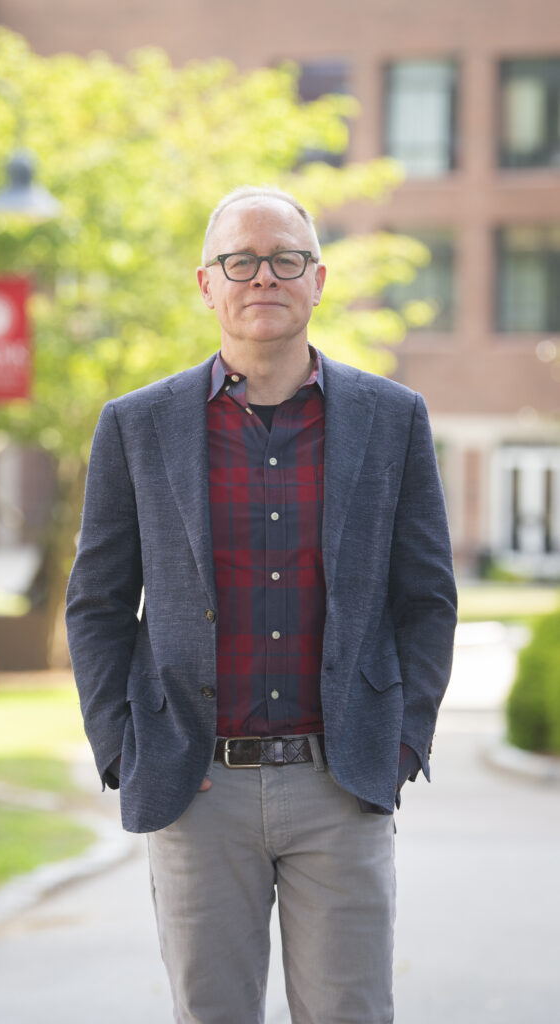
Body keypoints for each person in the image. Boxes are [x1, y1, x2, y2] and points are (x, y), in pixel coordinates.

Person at [65, 185, 457, 1024]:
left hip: (341, 782)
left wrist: (397, 744)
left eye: (285, 259)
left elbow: (425, 599)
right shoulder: (136, 426)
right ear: (206, 284)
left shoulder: (393, 420)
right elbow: (97, 604)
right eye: (239, 261)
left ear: (318, 279)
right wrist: (125, 750)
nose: (262, 278)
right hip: (194, 784)